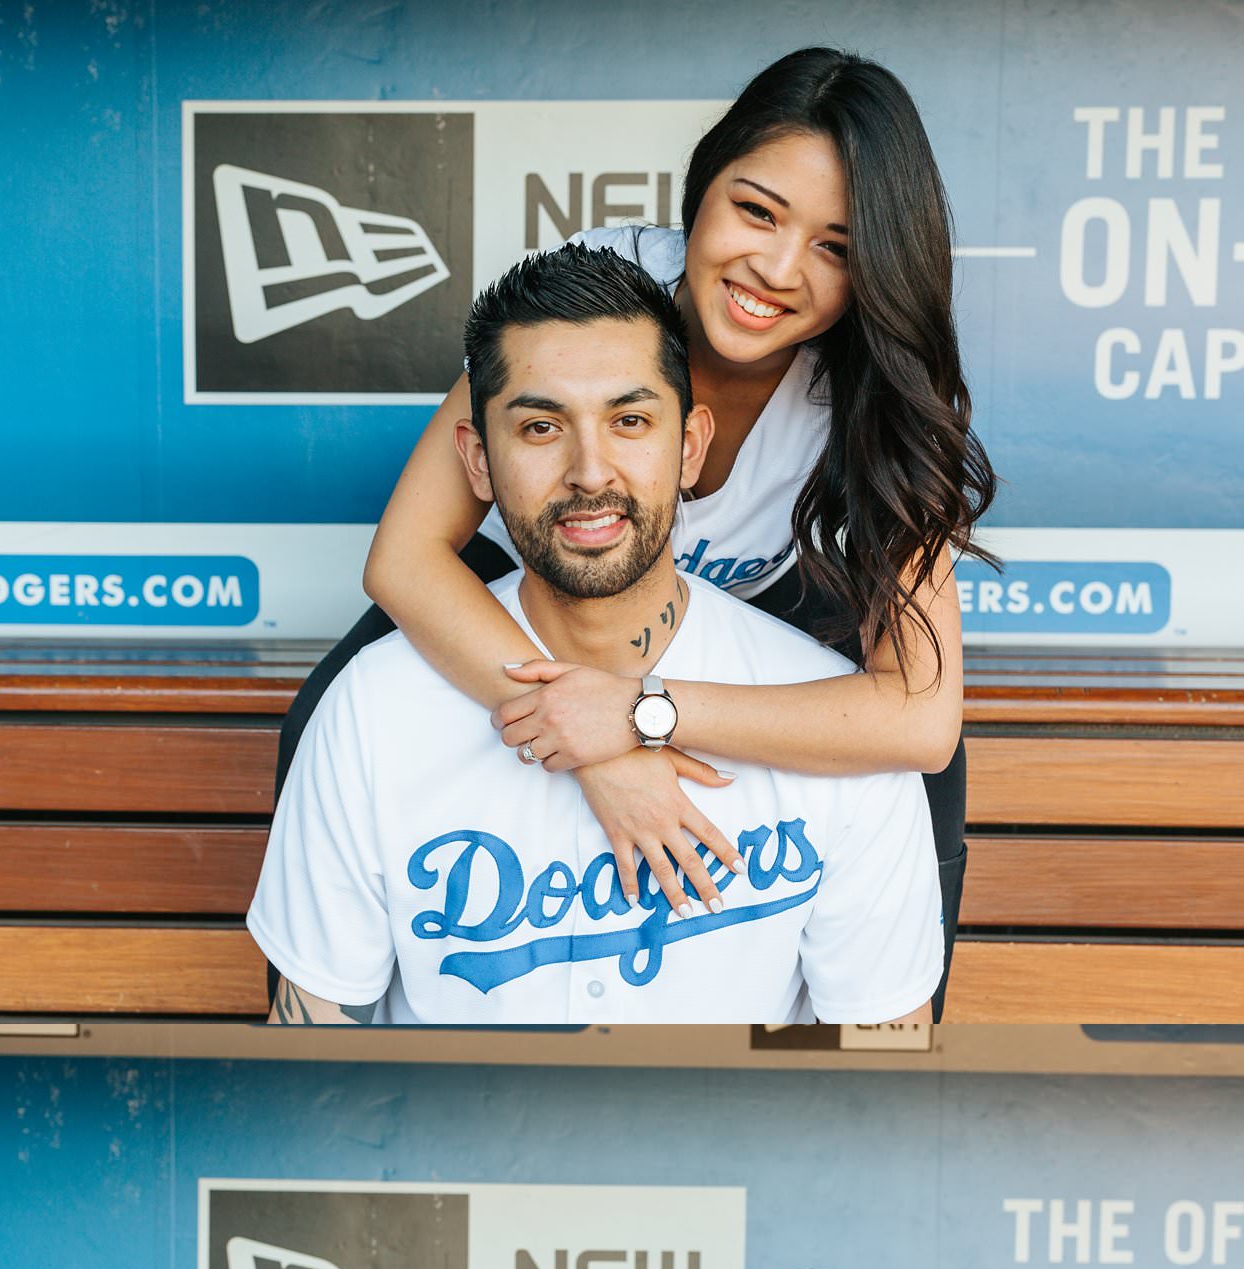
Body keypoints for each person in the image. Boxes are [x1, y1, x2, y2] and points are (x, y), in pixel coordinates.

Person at [271, 46, 996, 1018]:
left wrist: (642, 710)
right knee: (333, 710)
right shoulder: (604, 297)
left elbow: (919, 713)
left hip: (745, 610)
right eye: (757, 210)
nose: (777, 269)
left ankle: (897, 1066)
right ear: (700, 192)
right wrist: (601, 752)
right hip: (559, 572)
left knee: (918, 780)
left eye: (836, 246)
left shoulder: (872, 383)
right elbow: (404, 557)